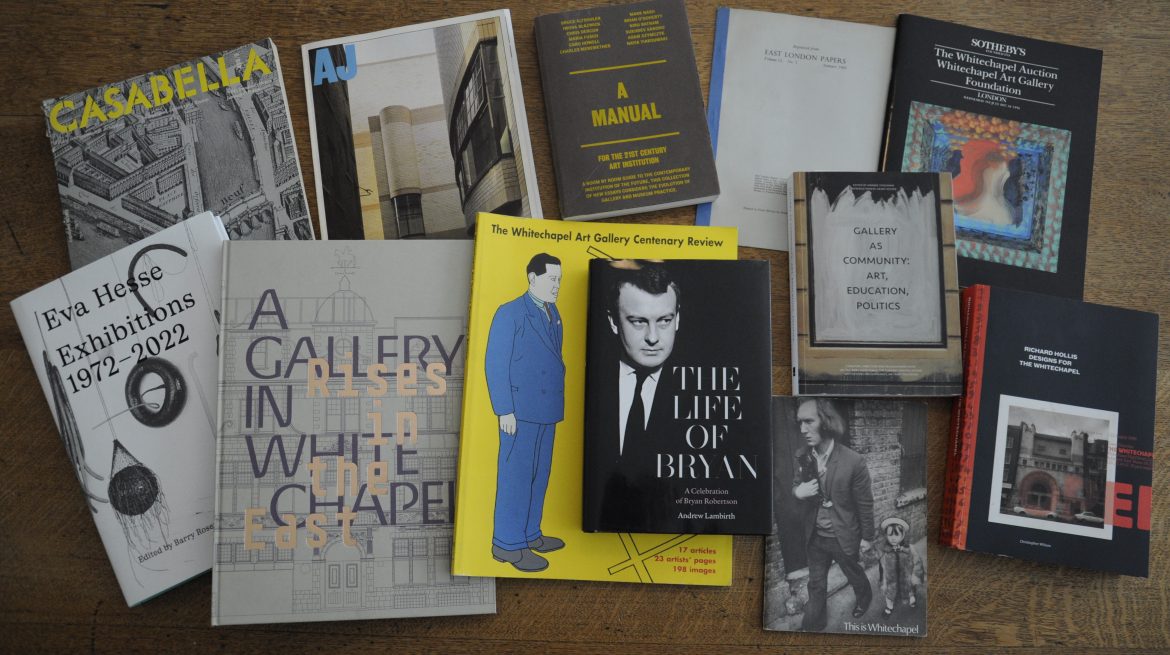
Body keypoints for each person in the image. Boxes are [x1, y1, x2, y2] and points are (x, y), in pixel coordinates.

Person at [484, 253, 566, 572]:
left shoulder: (553, 313)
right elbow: (495, 363)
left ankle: (530, 534)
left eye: (559, 279)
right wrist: (504, 410)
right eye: (552, 279)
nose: (557, 285)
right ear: (532, 279)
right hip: (519, 412)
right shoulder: (510, 313)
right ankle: (507, 545)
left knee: (539, 474)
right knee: (515, 477)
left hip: (546, 410)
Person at [587, 261, 682, 531]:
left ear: (678, 319)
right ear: (613, 322)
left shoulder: (700, 391)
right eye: (639, 322)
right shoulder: (591, 381)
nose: (653, 337)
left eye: (664, 321)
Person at [792, 398, 875, 630]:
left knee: (853, 573)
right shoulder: (802, 456)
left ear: (826, 422)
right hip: (815, 536)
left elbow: (865, 504)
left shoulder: (854, 461)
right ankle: (814, 625)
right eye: (800, 422)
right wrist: (798, 492)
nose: (803, 429)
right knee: (816, 584)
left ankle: (865, 597)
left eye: (809, 421)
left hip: (842, 534)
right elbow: (795, 485)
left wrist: (868, 537)